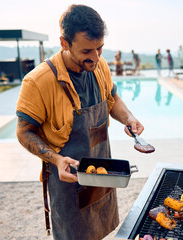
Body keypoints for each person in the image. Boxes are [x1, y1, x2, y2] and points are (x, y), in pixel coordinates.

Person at [15, 4, 144, 240]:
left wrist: (129, 118)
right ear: (64, 43)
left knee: (101, 229)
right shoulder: (37, 81)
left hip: (103, 174)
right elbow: (24, 133)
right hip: (68, 181)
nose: (95, 57)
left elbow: (111, 99)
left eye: (100, 48)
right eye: (87, 51)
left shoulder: (99, 65)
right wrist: (55, 159)